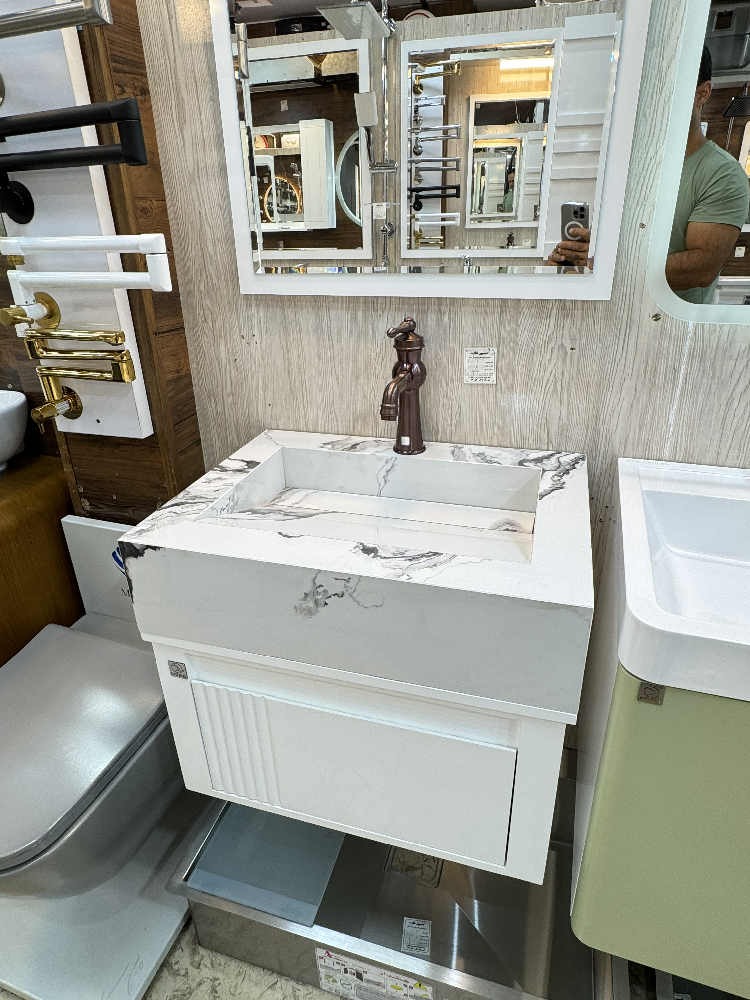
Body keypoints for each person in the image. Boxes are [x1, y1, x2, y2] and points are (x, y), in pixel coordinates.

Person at [548, 45, 750, 302]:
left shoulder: (722, 174)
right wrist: (576, 261)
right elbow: (618, 248)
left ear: (702, 93)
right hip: (616, 314)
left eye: (668, 87)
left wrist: (607, 261)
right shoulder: (631, 167)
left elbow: (701, 269)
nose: (654, 99)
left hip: (669, 322)